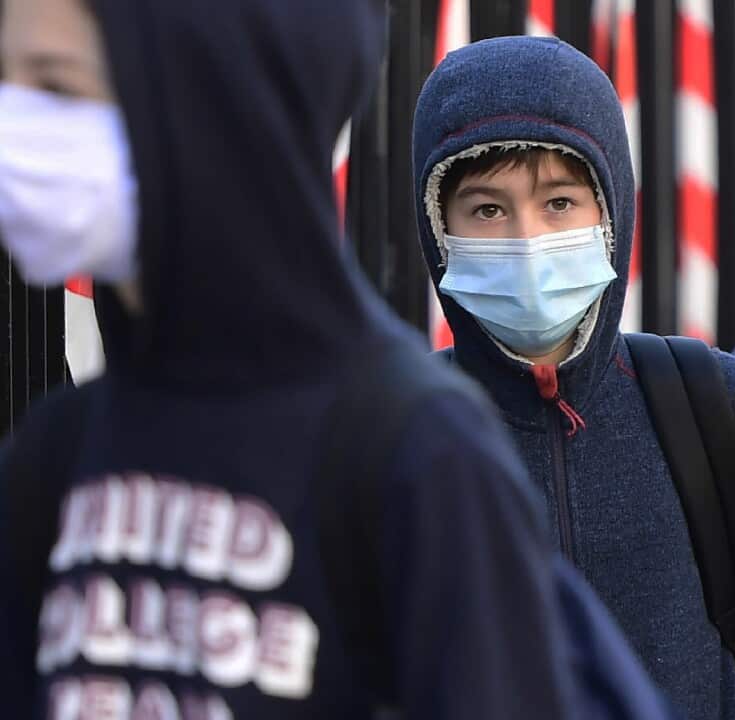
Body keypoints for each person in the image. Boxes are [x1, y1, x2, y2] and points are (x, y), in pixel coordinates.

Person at [0, 1, 673, 718]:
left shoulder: (415, 455)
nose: (17, 126)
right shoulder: (53, 456)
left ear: (205, 96)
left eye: (58, 86)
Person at [412, 34, 735, 720]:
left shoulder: (706, 401)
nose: (526, 238)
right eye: (487, 209)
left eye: (559, 203)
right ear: (438, 229)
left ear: (611, 213)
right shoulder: (410, 430)